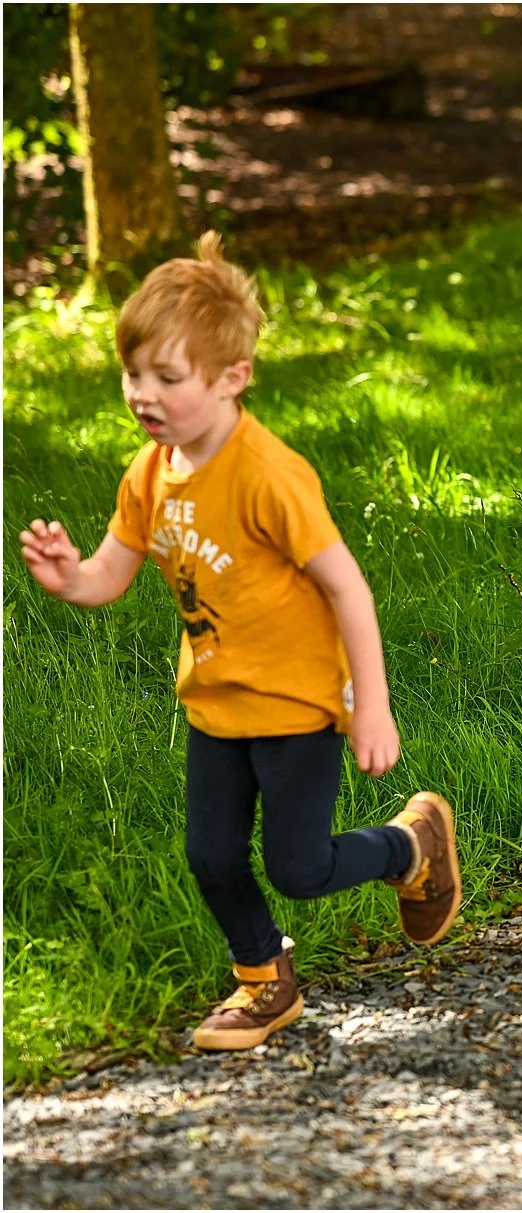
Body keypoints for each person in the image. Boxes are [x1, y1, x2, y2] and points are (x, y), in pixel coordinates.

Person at [17, 233, 461, 1051]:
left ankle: (412, 843)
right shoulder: (150, 473)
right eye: (132, 372)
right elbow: (112, 571)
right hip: (215, 707)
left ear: (233, 379)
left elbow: (347, 586)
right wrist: (68, 575)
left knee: (300, 868)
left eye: (166, 377)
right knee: (212, 857)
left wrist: (373, 706)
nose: (142, 394)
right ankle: (263, 978)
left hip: (296, 706)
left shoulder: (268, 474)